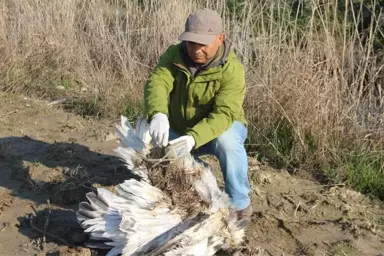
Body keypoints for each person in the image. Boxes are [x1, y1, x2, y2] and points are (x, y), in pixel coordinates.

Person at [144, 8, 252, 225]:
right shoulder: (174, 54)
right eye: (191, 43)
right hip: (180, 126)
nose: (196, 50)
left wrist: (194, 137)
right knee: (151, 152)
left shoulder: (232, 69)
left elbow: (225, 113)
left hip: (220, 127)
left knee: (228, 144)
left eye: (203, 44)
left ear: (220, 38)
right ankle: (202, 171)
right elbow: (158, 82)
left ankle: (240, 205)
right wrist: (158, 114)